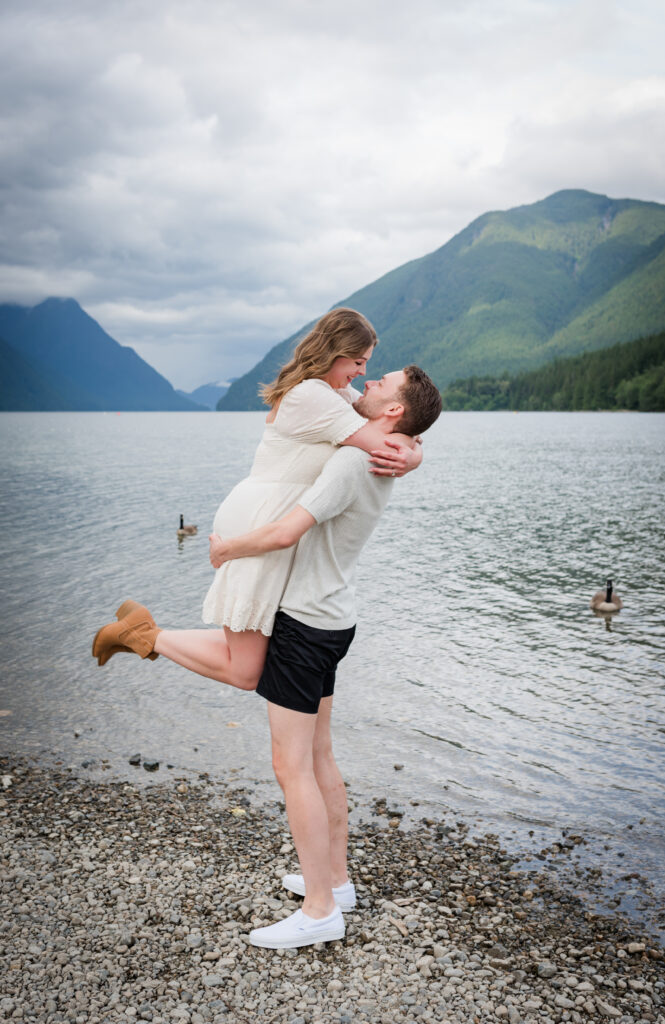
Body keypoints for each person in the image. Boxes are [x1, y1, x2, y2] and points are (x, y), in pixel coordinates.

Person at [206, 365, 443, 949]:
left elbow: (287, 532)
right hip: (335, 618)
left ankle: (318, 913)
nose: (367, 385)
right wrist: (415, 450)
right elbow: (405, 439)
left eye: (379, 382)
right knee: (318, 756)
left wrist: (227, 549)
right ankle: (335, 885)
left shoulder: (351, 461)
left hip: (305, 624)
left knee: (292, 767)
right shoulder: (383, 451)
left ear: (393, 411)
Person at [92, 308, 422, 680]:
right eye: (359, 361)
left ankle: (143, 632)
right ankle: (143, 634)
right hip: (260, 519)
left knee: (253, 659)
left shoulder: (336, 394)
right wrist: (412, 457)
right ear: (335, 352)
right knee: (246, 672)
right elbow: (387, 443)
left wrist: (415, 450)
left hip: (271, 518)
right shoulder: (311, 395)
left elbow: (399, 429)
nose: (362, 372)